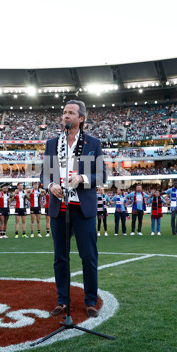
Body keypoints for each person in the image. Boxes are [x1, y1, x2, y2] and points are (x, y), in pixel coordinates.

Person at [40, 100, 105, 318]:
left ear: (81, 119)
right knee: (60, 257)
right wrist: (51, 186)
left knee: (88, 257)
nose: (66, 116)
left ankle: (90, 301)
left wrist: (82, 177)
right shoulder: (52, 144)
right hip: (60, 208)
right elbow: (45, 175)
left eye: (71, 113)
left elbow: (102, 175)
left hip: (83, 209)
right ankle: (62, 301)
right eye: (64, 113)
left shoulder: (93, 143)